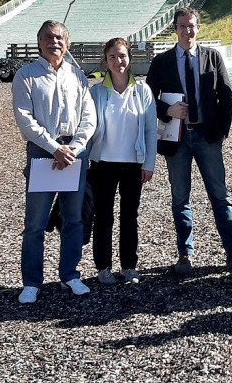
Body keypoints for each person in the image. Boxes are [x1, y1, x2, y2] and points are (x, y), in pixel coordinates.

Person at [146, 7, 232, 276]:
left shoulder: (212, 57)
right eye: (182, 26)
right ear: (175, 29)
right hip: (176, 138)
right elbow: (147, 98)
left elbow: (226, 96)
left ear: (199, 27)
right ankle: (185, 254)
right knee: (180, 198)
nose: (188, 31)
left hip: (206, 137)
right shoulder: (162, 61)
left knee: (220, 196)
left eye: (192, 25)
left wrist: (220, 132)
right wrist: (166, 111)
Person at [12, 20, 97, 303]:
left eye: (59, 37)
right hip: (42, 153)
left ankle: (70, 274)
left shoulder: (77, 76)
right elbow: (25, 121)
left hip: (75, 152)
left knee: (73, 219)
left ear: (67, 43)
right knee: (35, 222)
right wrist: (54, 148)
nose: (54, 42)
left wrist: (74, 147)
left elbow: (89, 118)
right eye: (48, 37)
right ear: (39, 42)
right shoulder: (26, 76)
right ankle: (32, 282)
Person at [87, 37, 156, 285]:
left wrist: (149, 163)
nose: (118, 61)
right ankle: (103, 267)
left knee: (129, 215)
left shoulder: (143, 91)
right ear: (105, 60)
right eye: (113, 57)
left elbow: (150, 130)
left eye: (122, 56)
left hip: (132, 164)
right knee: (103, 216)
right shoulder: (96, 92)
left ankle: (129, 266)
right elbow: (87, 126)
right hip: (103, 163)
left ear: (129, 58)